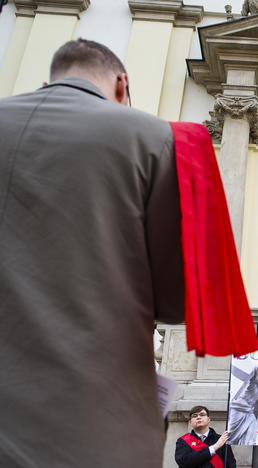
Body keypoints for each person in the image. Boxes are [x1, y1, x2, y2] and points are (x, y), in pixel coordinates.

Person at [0, 39, 185, 466]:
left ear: (48, 82)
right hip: (89, 417)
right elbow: (175, 300)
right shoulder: (152, 137)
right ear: (122, 84)